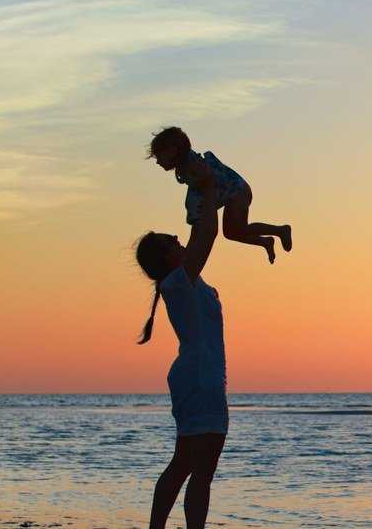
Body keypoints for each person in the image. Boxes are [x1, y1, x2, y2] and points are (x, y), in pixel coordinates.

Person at [135, 159, 227, 529]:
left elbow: (201, 232)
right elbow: (207, 236)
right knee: (198, 469)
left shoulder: (182, 281)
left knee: (187, 462)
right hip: (201, 377)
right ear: (166, 257)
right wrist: (209, 188)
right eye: (169, 241)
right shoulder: (178, 280)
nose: (177, 238)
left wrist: (204, 191)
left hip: (199, 376)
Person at [147, 126, 292, 264]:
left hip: (237, 191)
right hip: (231, 193)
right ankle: (265, 241)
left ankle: (280, 230)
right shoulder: (185, 167)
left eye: (159, 156)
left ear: (173, 151)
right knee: (230, 233)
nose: (158, 161)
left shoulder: (193, 165)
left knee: (239, 228)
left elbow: (200, 193)